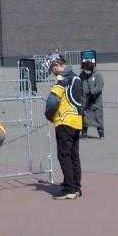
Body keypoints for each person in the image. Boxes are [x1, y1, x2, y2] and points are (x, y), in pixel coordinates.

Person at [45, 53, 84, 199]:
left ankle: (69, 189)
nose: (52, 72)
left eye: (52, 68)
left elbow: (53, 100)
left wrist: (49, 114)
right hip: (77, 121)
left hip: (64, 121)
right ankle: (76, 186)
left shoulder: (62, 78)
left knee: (63, 155)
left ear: (56, 65)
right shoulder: (76, 77)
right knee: (74, 155)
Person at [79, 51, 104, 139]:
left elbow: (100, 85)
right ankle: (84, 133)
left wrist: (92, 92)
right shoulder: (82, 75)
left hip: (95, 100)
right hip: (85, 101)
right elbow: (79, 84)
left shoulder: (97, 74)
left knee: (98, 117)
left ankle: (101, 134)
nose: (85, 71)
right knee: (84, 118)